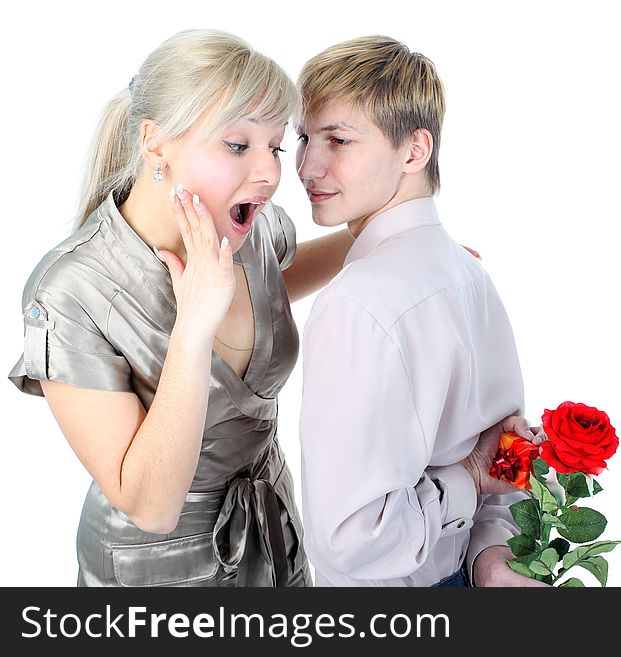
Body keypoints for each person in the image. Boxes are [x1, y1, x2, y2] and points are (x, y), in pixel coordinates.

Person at [6, 29, 359, 586]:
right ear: (155, 144)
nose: (269, 173)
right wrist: (194, 327)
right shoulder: (69, 293)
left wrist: (392, 241)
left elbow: (274, 284)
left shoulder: (250, 225)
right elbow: (150, 505)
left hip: (273, 540)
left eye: (276, 146)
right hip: (155, 573)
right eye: (238, 145)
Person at [296, 36, 547, 587]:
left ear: (414, 151)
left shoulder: (357, 305)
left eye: (338, 140)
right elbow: (511, 457)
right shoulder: (467, 272)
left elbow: (349, 544)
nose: (307, 166)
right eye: (304, 138)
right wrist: (489, 554)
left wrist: (472, 479)